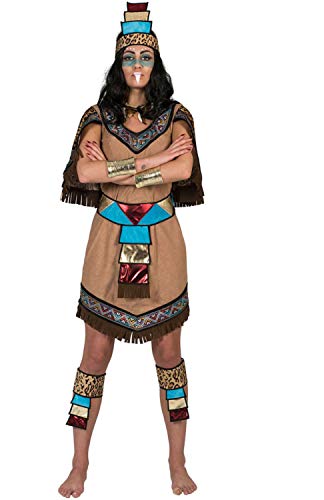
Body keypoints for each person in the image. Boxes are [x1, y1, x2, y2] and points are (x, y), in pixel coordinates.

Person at [58, 2, 204, 497]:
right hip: (108, 244)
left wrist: (120, 170)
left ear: (156, 61)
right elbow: (85, 173)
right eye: (129, 56)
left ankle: (177, 462)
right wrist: (152, 162)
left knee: (170, 355)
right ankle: (79, 465)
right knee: (94, 356)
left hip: (161, 245)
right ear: (118, 63)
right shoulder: (97, 117)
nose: (137, 64)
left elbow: (183, 170)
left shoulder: (176, 115)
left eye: (145, 55)